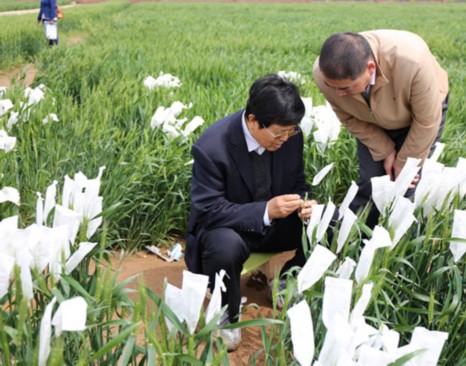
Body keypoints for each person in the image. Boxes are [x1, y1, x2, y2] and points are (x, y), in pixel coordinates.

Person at [184, 74, 317, 351]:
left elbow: (297, 182)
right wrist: (265, 211)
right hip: (231, 228)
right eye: (278, 134)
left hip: (277, 222)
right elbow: (208, 209)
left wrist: (304, 203)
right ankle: (226, 315)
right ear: (253, 120)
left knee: (327, 221)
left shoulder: (290, 135)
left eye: (289, 132)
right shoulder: (212, 147)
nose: (284, 139)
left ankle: (286, 280)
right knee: (224, 247)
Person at [313, 30, 449, 227]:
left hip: (417, 116)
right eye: (332, 87)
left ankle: (397, 241)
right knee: (372, 181)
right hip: (368, 119)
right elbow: (349, 117)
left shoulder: (412, 62)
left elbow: (426, 122)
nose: (338, 94)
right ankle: (356, 236)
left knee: (404, 185)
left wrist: (405, 163)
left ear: (370, 67)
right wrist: (385, 150)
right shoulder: (324, 74)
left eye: (345, 88)